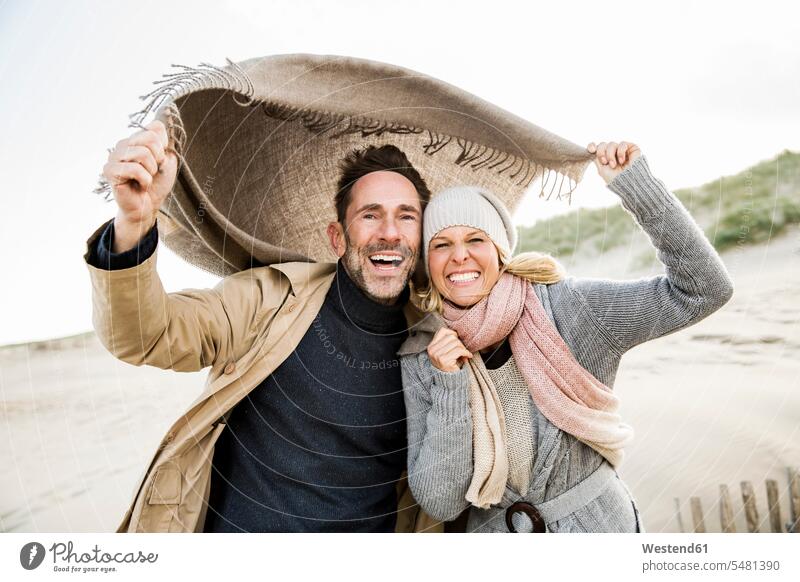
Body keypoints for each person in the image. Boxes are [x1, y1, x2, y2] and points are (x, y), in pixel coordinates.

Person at [85, 120, 440, 532]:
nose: (390, 232)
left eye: (406, 216)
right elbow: (146, 335)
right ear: (338, 238)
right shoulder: (267, 299)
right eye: (370, 215)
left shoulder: (437, 348)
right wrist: (134, 224)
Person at [398, 141, 735, 533]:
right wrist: (450, 384)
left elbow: (705, 289)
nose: (459, 256)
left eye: (476, 240)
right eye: (441, 245)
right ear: (428, 262)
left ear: (500, 249)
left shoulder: (571, 308)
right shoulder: (423, 354)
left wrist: (637, 188)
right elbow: (440, 501)